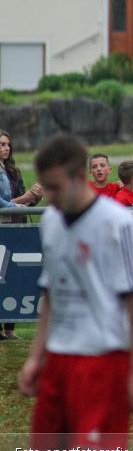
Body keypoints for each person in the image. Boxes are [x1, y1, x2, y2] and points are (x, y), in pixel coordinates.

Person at [19, 135, 133, 451]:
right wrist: (36, 357)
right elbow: (50, 293)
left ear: (80, 177)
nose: (47, 196)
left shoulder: (117, 222)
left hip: (101, 359)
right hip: (58, 358)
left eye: (54, 187)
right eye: (44, 188)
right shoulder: (50, 220)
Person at [0, 130, 42, 340]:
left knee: (15, 275)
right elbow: (3, 204)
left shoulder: (13, 171)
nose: (6, 148)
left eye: (8, 144)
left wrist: (34, 197)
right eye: (2, 144)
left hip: (16, 227)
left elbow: (23, 202)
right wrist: (25, 197)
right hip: (1, 229)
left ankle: (10, 327)